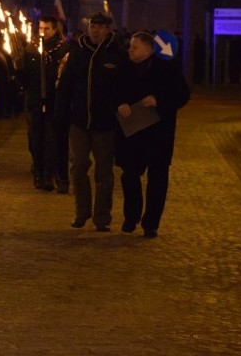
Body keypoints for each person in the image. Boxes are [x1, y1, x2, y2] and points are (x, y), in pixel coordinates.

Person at [56, 12, 128, 231]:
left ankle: (102, 217)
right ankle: (81, 211)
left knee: (103, 172)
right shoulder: (77, 52)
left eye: (100, 26)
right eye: (92, 26)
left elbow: (126, 87)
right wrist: (61, 114)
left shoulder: (117, 55)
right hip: (79, 122)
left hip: (105, 124)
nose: (95, 30)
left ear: (108, 29)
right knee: (78, 167)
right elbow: (65, 86)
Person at [115, 31, 190, 238]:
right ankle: (131, 216)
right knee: (129, 174)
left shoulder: (167, 69)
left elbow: (182, 95)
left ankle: (151, 223)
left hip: (158, 133)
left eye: (135, 47)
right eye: (130, 46)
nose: (130, 50)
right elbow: (112, 91)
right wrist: (120, 104)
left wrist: (159, 100)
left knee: (157, 178)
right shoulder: (124, 68)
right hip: (131, 132)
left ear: (148, 49)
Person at [21, 15, 70, 192]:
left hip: (55, 102)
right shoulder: (32, 49)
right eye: (40, 29)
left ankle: (57, 175)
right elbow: (25, 77)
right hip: (35, 101)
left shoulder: (63, 49)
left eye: (47, 29)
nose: (43, 32)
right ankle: (40, 174)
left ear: (54, 29)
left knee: (55, 140)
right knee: (36, 139)